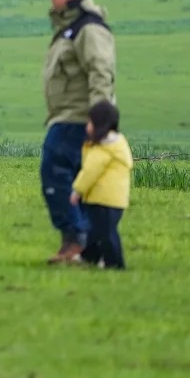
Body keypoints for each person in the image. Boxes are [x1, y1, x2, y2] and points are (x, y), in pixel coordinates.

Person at [41, 0, 115, 264]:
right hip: (68, 116)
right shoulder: (72, 27)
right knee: (77, 181)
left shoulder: (89, 29)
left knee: (55, 171)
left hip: (78, 119)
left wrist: (98, 120)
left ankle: (76, 239)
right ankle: (88, 248)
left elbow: (100, 73)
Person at [70, 101, 132, 269]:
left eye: (90, 122)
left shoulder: (103, 149)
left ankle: (115, 263)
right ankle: (89, 257)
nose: (87, 126)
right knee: (96, 231)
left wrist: (77, 191)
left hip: (104, 200)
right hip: (114, 200)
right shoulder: (118, 144)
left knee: (106, 234)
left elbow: (90, 172)